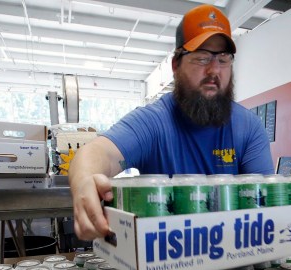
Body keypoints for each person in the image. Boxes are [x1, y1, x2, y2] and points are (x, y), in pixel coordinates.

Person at [69, 4, 274, 240]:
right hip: (165, 265)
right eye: (201, 58)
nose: (214, 70)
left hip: (233, 261)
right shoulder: (153, 123)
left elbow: (266, 206)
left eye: (223, 59)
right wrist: (85, 182)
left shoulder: (249, 127)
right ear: (176, 65)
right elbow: (100, 152)